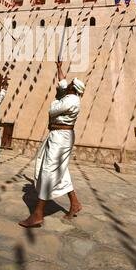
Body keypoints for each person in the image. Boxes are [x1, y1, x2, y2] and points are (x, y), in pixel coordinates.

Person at [19, 61, 85, 227]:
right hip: (58, 135)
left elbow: (52, 109)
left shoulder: (72, 101)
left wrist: (57, 96)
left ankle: (38, 213)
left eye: (70, 84)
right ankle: (75, 204)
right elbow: (62, 82)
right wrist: (59, 67)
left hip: (61, 137)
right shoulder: (69, 95)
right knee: (60, 171)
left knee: (48, 169)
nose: (67, 84)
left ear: (74, 89)